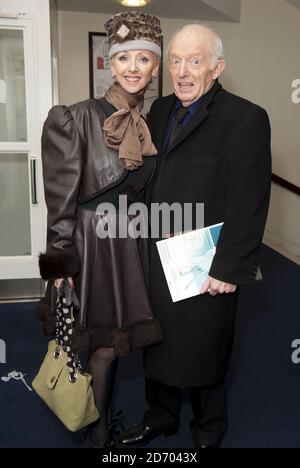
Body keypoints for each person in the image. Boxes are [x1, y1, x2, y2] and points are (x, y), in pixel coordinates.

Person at [119, 24, 272, 448]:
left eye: (196, 61)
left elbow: (250, 201)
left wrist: (229, 267)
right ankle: (161, 417)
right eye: (177, 60)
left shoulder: (246, 118)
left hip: (206, 263)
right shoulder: (160, 109)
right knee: (157, 339)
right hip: (156, 254)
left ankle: (208, 429)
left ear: (217, 67)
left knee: (204, 349)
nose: (183, 71)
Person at [37, 11, 164, 448]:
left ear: (155, 67)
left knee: (113, 344)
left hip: (131, 244)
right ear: (110, 64)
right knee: (102, 346)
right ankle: (98, 439)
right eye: (124, 58)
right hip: (92, 245)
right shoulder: (75, 118)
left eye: (143, 59)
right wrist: (60, 265)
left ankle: (101, 422)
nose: (133, 67)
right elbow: (61, 202)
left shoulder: (148, 122)